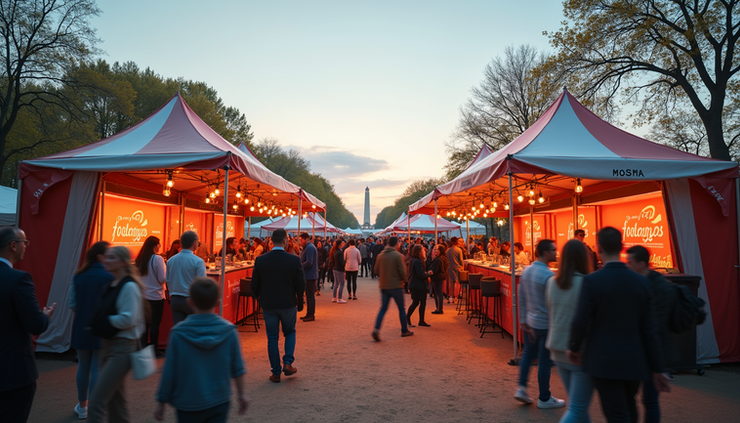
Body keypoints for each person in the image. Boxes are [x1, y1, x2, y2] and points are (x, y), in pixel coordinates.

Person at [569, 227, 669, 423]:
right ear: (622, 247)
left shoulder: (592, 281)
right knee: (629, 406)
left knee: (616, 413)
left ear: (598, 249)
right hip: (635, 359)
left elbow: (580, 320)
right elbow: (650, 329)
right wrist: (658, 367)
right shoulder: (642, 282)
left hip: (603, 360)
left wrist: (574, 347)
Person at [154, 277, 248, 422]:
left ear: (190, 302)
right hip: (219, 399)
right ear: (218, 303)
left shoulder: (178, 333)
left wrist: (162, 400)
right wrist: (241, 394)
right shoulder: (229, 331)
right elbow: (238, 367)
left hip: (187, 401)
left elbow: (169, 369)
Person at [0, 228, 56, 422]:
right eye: (25, 242)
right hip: (13, 373)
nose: (26, 246)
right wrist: (45, 315)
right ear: (13, 245)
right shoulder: (19, 279)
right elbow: (36, 325)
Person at [88, 246, 145, 423]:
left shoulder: (128, 286)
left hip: (122, 347)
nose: (106, 260)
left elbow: (129, 319)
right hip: (109, 345)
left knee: (96, 402)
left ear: (122, 262)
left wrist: (105, 321)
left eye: (111, 258)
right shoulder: (113, 285)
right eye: (107, 257)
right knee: (116, 403)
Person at [626, 245, 678, 423]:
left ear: (641, 264)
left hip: (652, 351)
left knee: (648, 400)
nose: (627, 265)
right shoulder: (650, 283)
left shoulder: (659, 287)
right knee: (640, 399)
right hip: (643, 349)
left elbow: (656, 326)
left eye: (630, 262)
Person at [546, 239, 593, 423]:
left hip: (557, 348)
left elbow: (551, 312)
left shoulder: (552, 282)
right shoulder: (586, 283)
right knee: (577, 408)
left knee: (579, 407)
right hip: (579, 351)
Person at [514, 239, 565, 409]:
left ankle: (522, 388)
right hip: (545, 324)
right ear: (545, 253)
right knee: (544, 361)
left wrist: (523, 320)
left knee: (528, 355)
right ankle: (544, 397)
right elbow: (553, 304)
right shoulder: (549, 276)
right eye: (553, 250)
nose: (556, 252)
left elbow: (520, 296)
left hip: (530, 322)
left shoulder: (527, 271)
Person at [251, 229, 306, 383]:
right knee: (290, 332)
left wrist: (258, 297)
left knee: (272, 338)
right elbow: (301, 283)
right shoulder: (293, 260)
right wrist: (300, 301)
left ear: (271, 241)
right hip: (288, 302)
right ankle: (288, 362)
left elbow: (254, 284)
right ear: (285, 241)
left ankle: (275, 372)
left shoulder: (261, 260)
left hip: (269, 304)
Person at [68, 241, 113, 419]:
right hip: (102, 328)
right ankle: (95, 408)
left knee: (83, 366)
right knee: (97, 368)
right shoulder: (109, 277)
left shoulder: (78, 276)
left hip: (80, 326)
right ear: (100, 256)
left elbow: (72, 304)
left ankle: (82, 406)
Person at [372, 236, 414, 341]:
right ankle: (404, 330)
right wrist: (404, 281)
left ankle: (376, 329)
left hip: (384, 285)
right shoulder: (398, 256)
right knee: (401, 308)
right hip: (396, 285)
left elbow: (376, 270)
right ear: (397, 244)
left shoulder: (380, 255)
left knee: (383, 308)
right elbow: (403, 272)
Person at [135, 236, 167, 358]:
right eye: (159, 244)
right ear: (155, 246)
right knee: (155, 324)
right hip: (156, 296)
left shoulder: (140, 259)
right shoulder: (157, 259)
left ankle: (142, 348)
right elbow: (162, 278)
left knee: (144, 324)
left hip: (143, 296)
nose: (160, 246)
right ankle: (154, 350)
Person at [166, 231, 207, 326]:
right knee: (194, 330)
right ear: (194, 243)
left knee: (179, 330)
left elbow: (167, 280)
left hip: (175, 300)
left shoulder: (171, 260)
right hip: (192, 300)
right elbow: (202, 284)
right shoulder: (198, 261)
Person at [406, 245, 431, 328]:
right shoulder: (418, 261)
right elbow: (420, 274)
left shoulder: (413, 260)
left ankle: (408, 317)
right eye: (423, 250)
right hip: (419, 285)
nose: (425, 252)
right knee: (422, 302)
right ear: (419, 252)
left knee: (416, 302)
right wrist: (428, 274)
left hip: (414, 284)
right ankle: (421, 320)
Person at [299, 233, 318, 322]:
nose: (300, 242)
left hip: (309, 275)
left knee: (310, 295)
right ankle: (309, 313)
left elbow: (309, 262)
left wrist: (300, 265)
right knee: (309, 295)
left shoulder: (309, 248)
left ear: (306, 239)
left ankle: (311, 314)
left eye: (301, 240)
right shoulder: (309, 247)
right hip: (309, 274)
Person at [429, 244, 448, 314]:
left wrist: (430, 272)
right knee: (439, 292)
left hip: (437, 277)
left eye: (436, 249)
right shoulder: (443, 258)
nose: (435, 251)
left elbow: (434, 269)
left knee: (437, 293)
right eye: (434, 249)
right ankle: (439, 308)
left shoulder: (438, 259)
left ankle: (439, 308)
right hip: (441, 276)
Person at [446, 237, 464, 303]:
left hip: (450, 268)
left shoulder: (447, 250)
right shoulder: (459, 250)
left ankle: (451, 297)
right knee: (457, 283)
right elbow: (461, 260)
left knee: (451, 283)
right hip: (458, 268)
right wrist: (462, 268)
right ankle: (456, 297)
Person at [330, 239, 347, 303]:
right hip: (340, 269)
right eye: (342, 244)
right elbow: (342, 262)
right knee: (341, 283)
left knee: (336, 283)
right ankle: (339, 298)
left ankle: (334, 297)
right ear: (339, 245)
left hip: (335, 268)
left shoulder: (334, 251)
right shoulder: (340, 252)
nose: (343, 245)